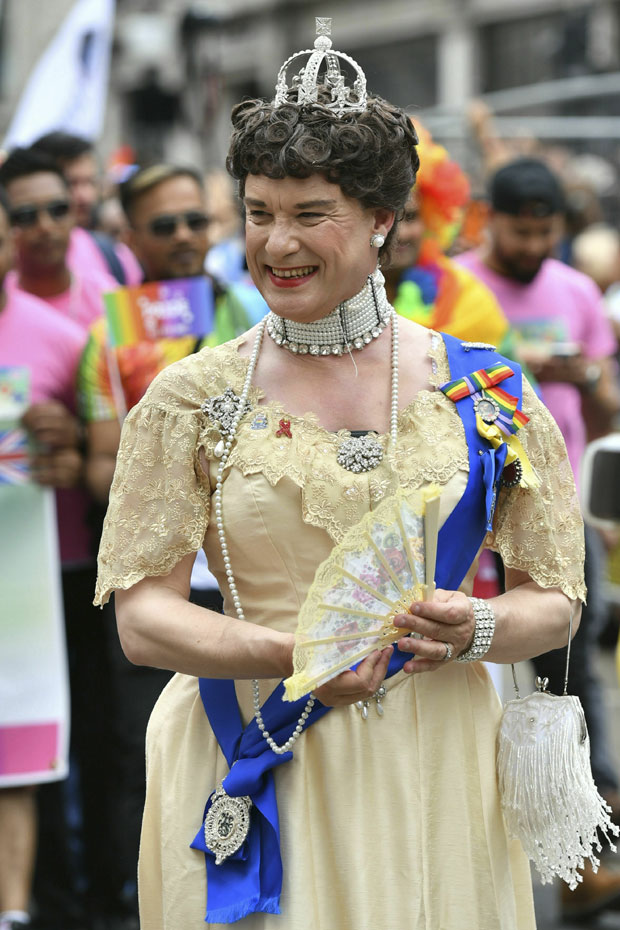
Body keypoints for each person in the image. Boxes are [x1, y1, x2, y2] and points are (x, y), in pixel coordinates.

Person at [96, 21, 586, 930]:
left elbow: (554, 602)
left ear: (383, 220)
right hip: (252, 743)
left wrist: (475, 626)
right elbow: (142, 620)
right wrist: (297, 655)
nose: (276, 243)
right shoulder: (189, 397)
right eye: (259, 213)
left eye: (310, 214)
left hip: (434, 755)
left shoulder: (484, 392)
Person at [457, 157, 620, 921]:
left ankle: (582, 857)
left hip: (557, 509)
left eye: (544, 233)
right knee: (482, 670)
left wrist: (581, 376)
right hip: (471, 510)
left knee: (569, 675)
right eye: (518, 231)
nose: (531, 245)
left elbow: (607, 405)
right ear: (489, 219)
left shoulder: (578, 292)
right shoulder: (459, 288)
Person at [0, 185, 85, 930]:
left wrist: (68, 448)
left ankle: (21, 911)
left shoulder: (62, 337)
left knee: (21, 761)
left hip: (34, 583)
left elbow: (101, 459)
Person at [382, 123, 508, 347]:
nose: (400, 233)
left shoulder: (467, 296)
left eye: (411, 217)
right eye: (386, 218)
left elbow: (504, 364)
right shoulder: (334, 295)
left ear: (431, 217)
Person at [31, 131, 142, 286]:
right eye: (72, 183)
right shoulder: (12, 261)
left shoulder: (115, 256)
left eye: (90, 182)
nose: (85, 196)